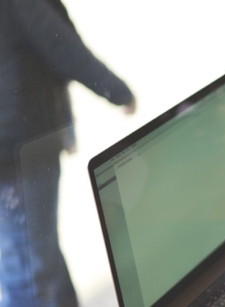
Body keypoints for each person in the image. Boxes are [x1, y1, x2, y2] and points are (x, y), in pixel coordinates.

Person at [0, 0, 135, 306]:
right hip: (20, 147)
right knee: (30, 274)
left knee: (38, 251)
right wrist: (118, 92)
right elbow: (60, 45)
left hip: (16, 147)